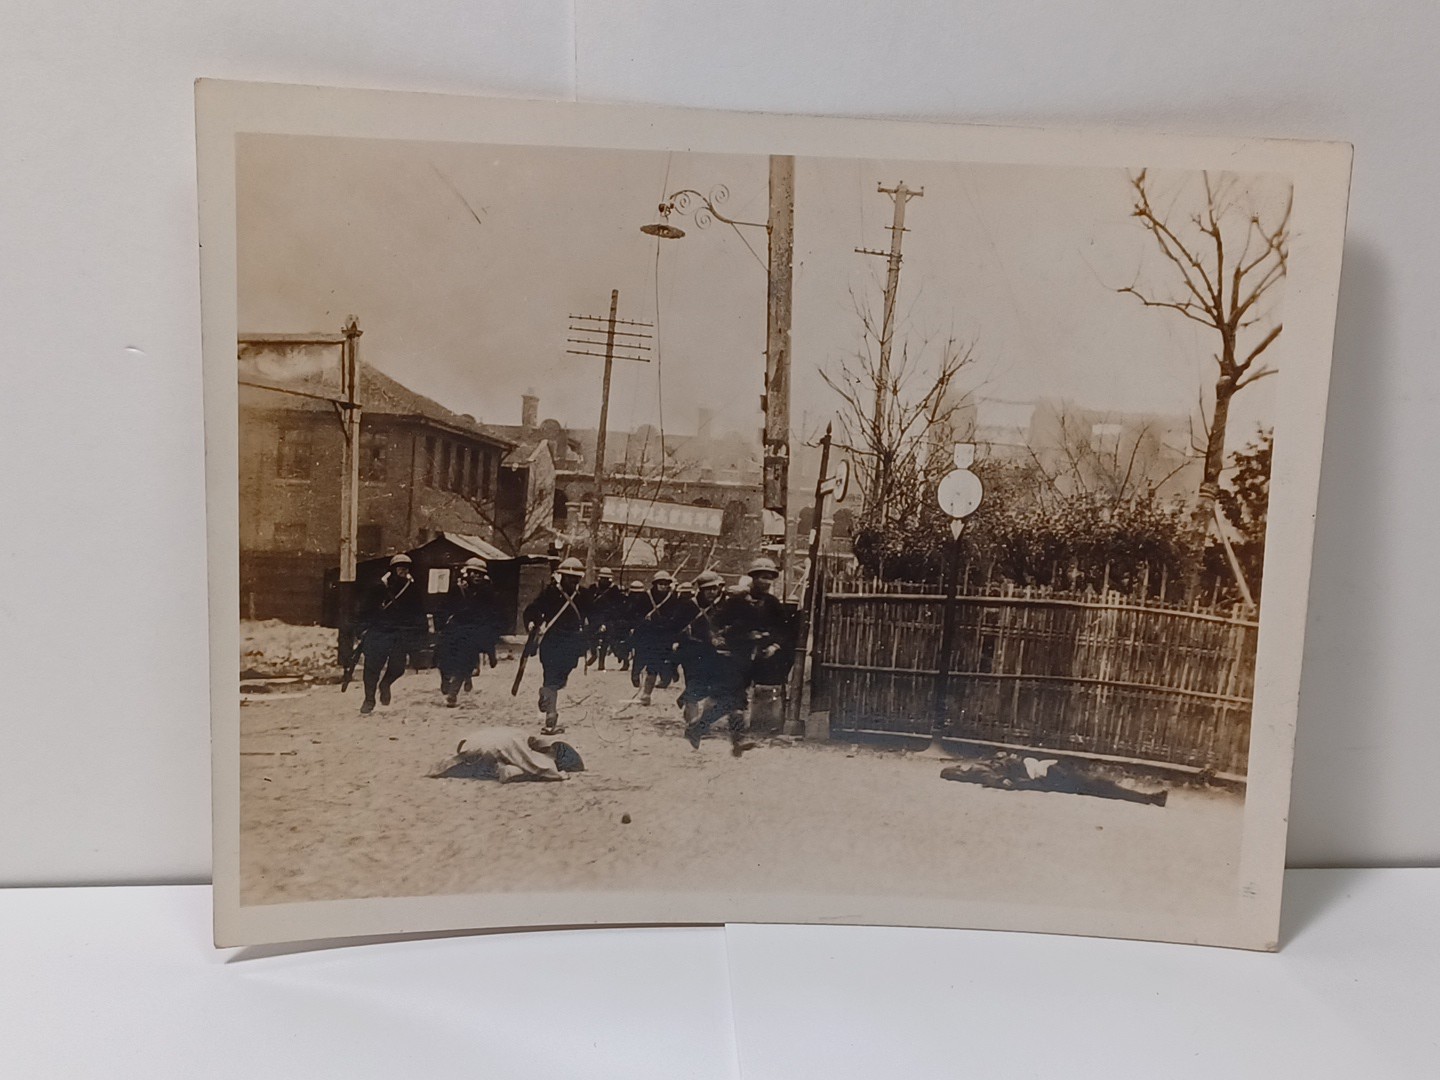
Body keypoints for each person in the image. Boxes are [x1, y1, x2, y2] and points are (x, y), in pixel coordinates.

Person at [683, 556, 788, 756]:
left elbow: (782, 629)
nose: (766, 582)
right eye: (762, 577)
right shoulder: (738, 601)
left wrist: (774, 645)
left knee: (731, 700)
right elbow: (715, 621)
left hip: (755, 657)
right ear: (753, 578)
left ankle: (697, 728)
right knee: (737, 699)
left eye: (769, 578)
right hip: (731, 656)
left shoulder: (772, 603)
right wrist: (719, 638)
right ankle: (737, 741)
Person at [522, 557, 591, 735]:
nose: (573, 581)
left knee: (561, 678)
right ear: (562, 576)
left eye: (576, 578)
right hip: (553, 641)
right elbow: (533, 609)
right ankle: (551, 716)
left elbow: (593, 614)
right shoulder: (550, 593)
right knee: (552, 678)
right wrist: (531, 622)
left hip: (572, 644)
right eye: (569, 577)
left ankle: (546, 694)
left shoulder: (584, 595)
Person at [356, 553, 425, 715]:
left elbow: (418, 612)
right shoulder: (379, 587)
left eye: (406, 567)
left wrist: (419, 632)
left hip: (399, 633)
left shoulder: (412, 588)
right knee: (372, 668)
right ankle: (369, 700)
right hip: (378, 632)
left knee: (398, 668)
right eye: (399, 567)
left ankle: (385, 684)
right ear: (393, 569)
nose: (403, 570)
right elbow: (365, 609)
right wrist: (362, 629)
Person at [434, 557, 505, 707]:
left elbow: (494, 611)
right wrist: (441, 624)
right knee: (444, 658)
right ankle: (446, 680)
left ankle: (453, 694)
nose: (477, 576)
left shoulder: (487, 591)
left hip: (473, 630)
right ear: (468, 573)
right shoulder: (457, 588)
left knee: (465, 662)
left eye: (480, 574)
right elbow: (443, 606)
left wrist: (491, 629)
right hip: (454, 628)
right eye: (474, 573)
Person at [427, 727, 584, 783]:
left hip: (469, 742)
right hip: (484, 750)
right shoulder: (520, 741)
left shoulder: (518, 734)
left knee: (509, 760)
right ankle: (501, 769)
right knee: (521, 768)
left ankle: (457, 763)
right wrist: (559, 775)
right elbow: (535, 766)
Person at [674, 570, 726, 729]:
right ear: (701, 590)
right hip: (691, 651)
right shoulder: (688, 605)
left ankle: (685, 698)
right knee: (695, 685)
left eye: (715, 588)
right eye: (708, 589)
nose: (712, 592)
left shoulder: (719, 607)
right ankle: (694, 723)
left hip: (712, 652)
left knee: (711, 686)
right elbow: (674, 626)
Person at [630, 570, 687, 705]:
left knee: (654, 664)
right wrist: (643, 621)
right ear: (655, 584)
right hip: (647, 634)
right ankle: (635, 675)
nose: (663, 586)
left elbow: (676, 617)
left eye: (665, 584)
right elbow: (635, 614)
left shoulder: (672, 599)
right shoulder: (645, 597)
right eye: (660, 583)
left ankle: (646, 694)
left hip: (662, 636)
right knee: (641, 657)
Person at [580, 567, 625, 671]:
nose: (604, 580)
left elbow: (618, 605)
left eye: (607, 579)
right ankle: (594, 653)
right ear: (599, 578)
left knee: (606, 640)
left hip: (608, 618)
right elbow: (587, 602)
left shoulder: (614, 590)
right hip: (594, 617)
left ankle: (602, 663)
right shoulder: (593, 588)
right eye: (602, 578)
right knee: (590, 636)